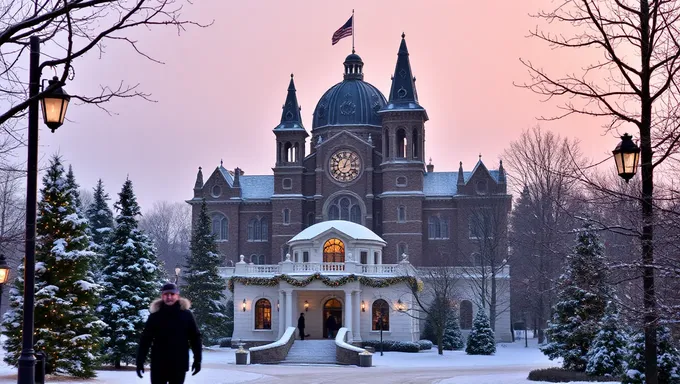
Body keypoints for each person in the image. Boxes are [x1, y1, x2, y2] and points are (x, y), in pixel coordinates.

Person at [136, 283, 202, 384]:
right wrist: (140, 361)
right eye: (166, 294)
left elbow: (195, 338)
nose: (169, 297)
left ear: (177, 296)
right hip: (158, 364)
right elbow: (145, 339)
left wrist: (197, 360)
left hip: (179, 364)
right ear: (162, 296)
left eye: (172, 294)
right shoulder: (155, 315)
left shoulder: (186, 314)